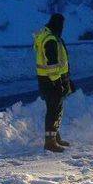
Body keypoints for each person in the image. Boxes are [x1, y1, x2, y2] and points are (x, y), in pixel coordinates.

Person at [34, 13, 74, 152]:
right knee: (53, 110)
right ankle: (50, 142)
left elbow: (61, 63)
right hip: (50, 81)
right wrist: (57, 83)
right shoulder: (50, 40)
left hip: (52, 80)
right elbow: (52, 66)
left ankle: (55, 137)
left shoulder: (52, 37)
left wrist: (67, 81)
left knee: (57, 109)